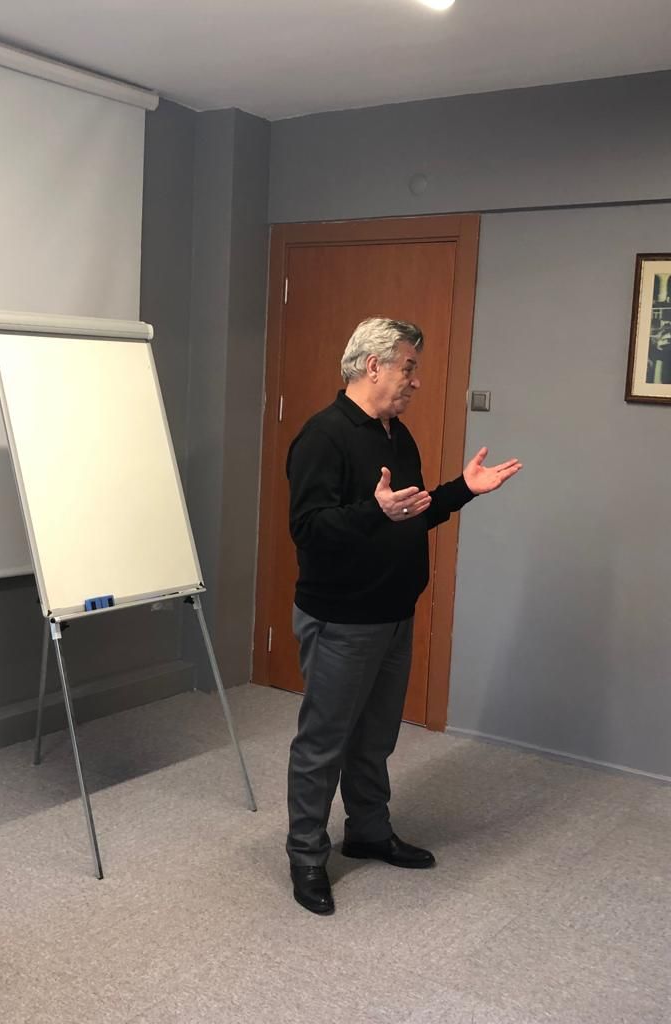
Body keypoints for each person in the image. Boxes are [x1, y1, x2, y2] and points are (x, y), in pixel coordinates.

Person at [285, 316, 522, 915]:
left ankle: (368, 831)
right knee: (324, 743)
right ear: (373, 366)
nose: (416, 381)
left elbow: (409, 512)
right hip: (341, 619)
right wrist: (375, 512)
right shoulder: (323, 436)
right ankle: (306, 854)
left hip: (393, 613)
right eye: (408, 367)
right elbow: (308, 529)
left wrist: (462, 490)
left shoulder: (397, 435)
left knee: (375, 738)